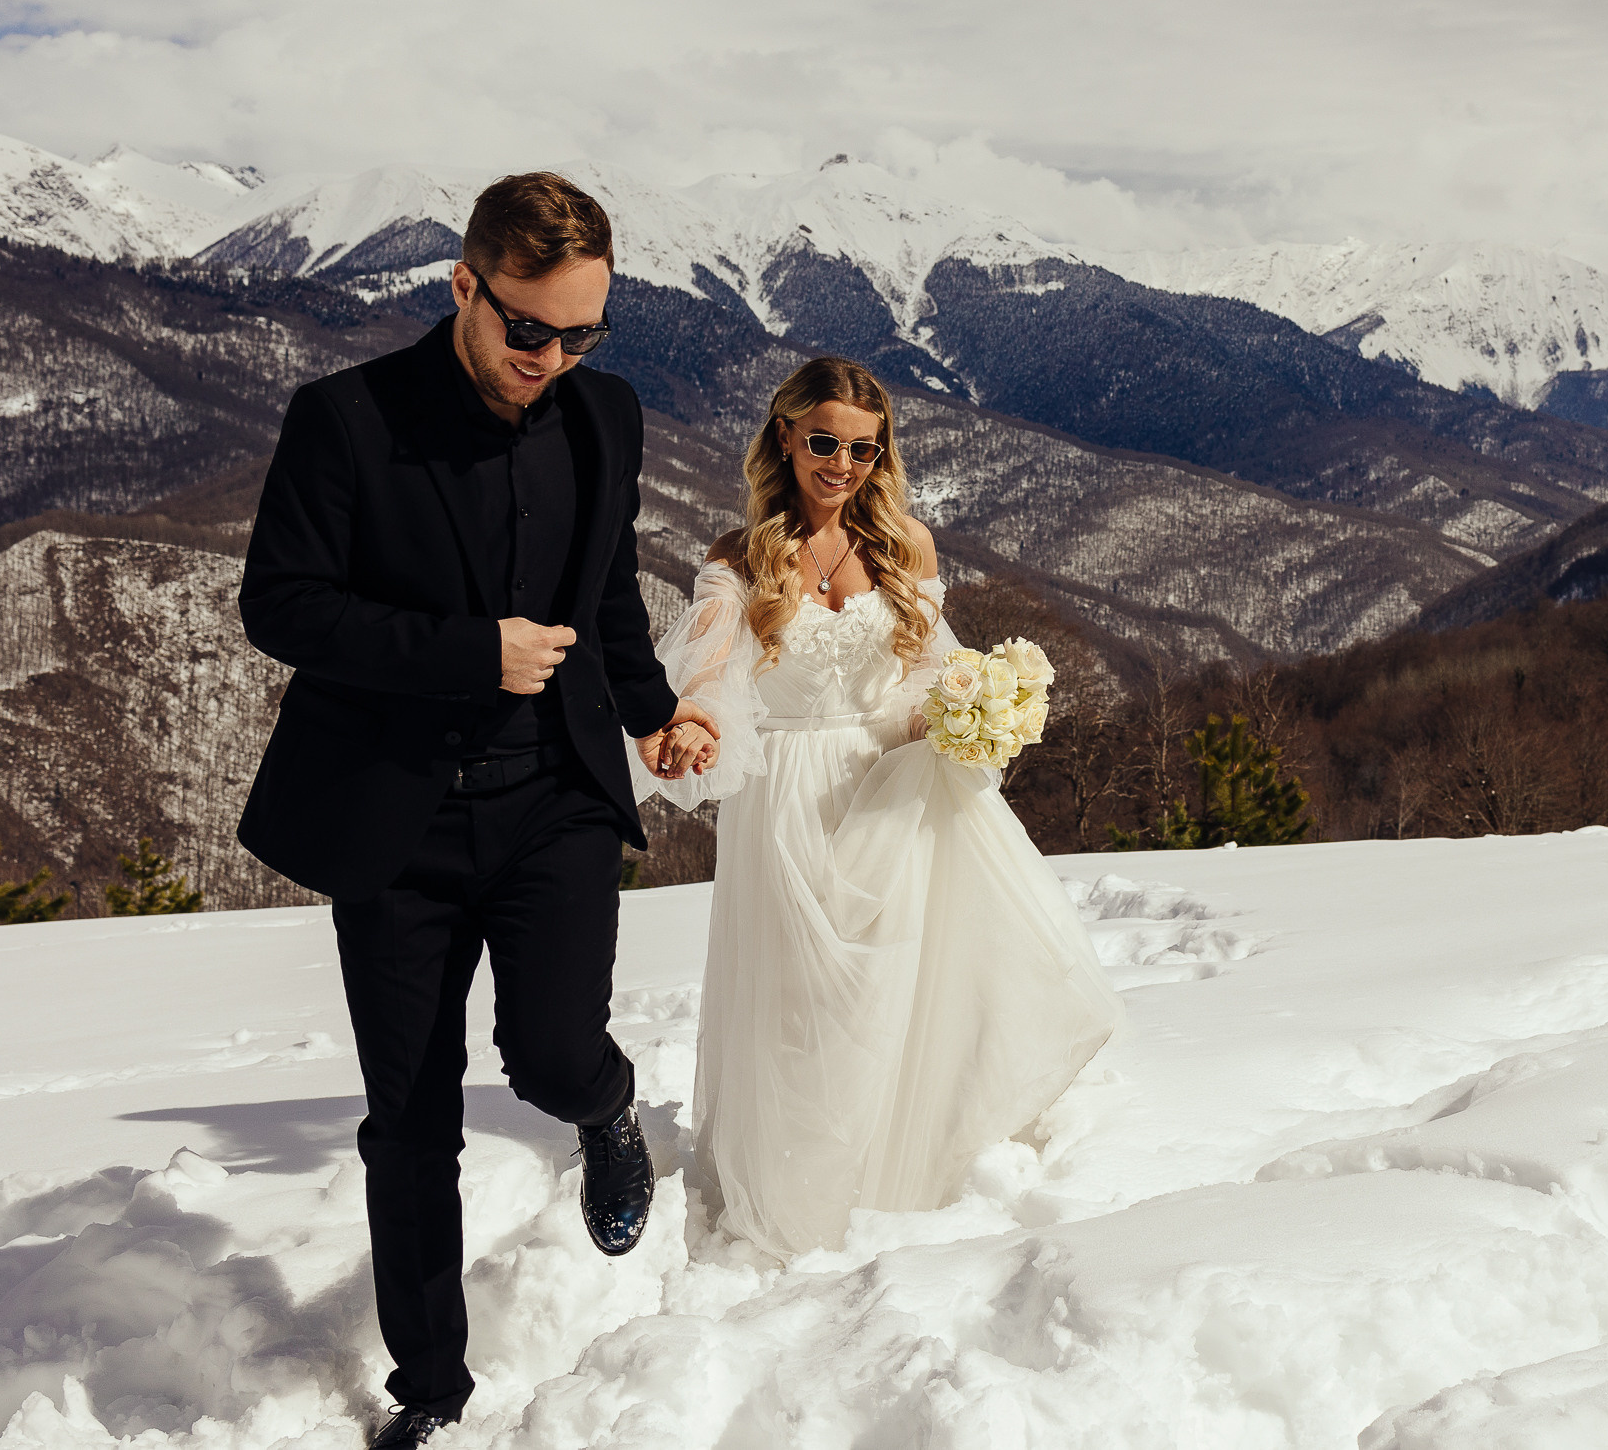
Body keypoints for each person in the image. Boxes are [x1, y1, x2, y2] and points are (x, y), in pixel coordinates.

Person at [236, 172, 718, 1448]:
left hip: (553, 795)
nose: (551, 361)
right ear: (464, 287)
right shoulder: (343, 420)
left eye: (581, 336)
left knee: (552, 1053)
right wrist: (466, 650)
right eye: (529, 332)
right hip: (394, 823)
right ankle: (430, 1394)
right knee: (413, 1121)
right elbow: (279, 606)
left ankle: (606, 1110)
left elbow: (605, 584)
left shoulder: (602, 415)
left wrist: (652, 708)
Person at [636, 356, 1124, 1259]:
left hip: (889, 789)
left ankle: (883, 1179)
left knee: (883, 993)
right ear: (784, 435)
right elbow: (707, 672)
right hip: (782, 796)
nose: (843, 464)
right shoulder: (737, 559)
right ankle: (790, 1197)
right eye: (824, 441)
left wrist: (972, 708)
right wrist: (697, 720)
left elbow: (928, 674)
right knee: (797, 999)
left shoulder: (909, 547)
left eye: (864, 447)